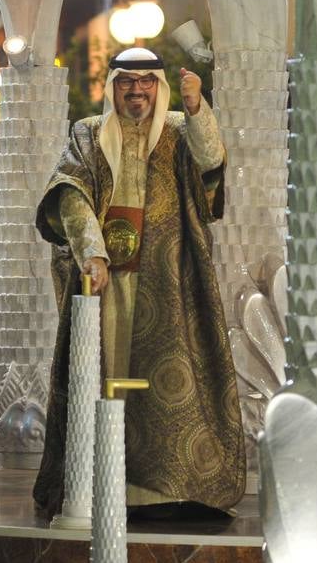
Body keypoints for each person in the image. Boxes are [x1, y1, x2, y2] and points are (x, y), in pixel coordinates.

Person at [33, 46, 243, 517]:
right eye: (126, 81)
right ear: (113, 87)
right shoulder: (88, 133)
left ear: (159, 86)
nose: (136, 91)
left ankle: (160, 490)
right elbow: (68, 192)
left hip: (164, 277)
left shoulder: (176, 129)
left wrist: (196, 108)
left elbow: (211, 165)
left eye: (145, 82)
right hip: (104, 280)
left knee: (165, 379)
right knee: (99, 372)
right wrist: (92, 252)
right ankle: (94, 483)